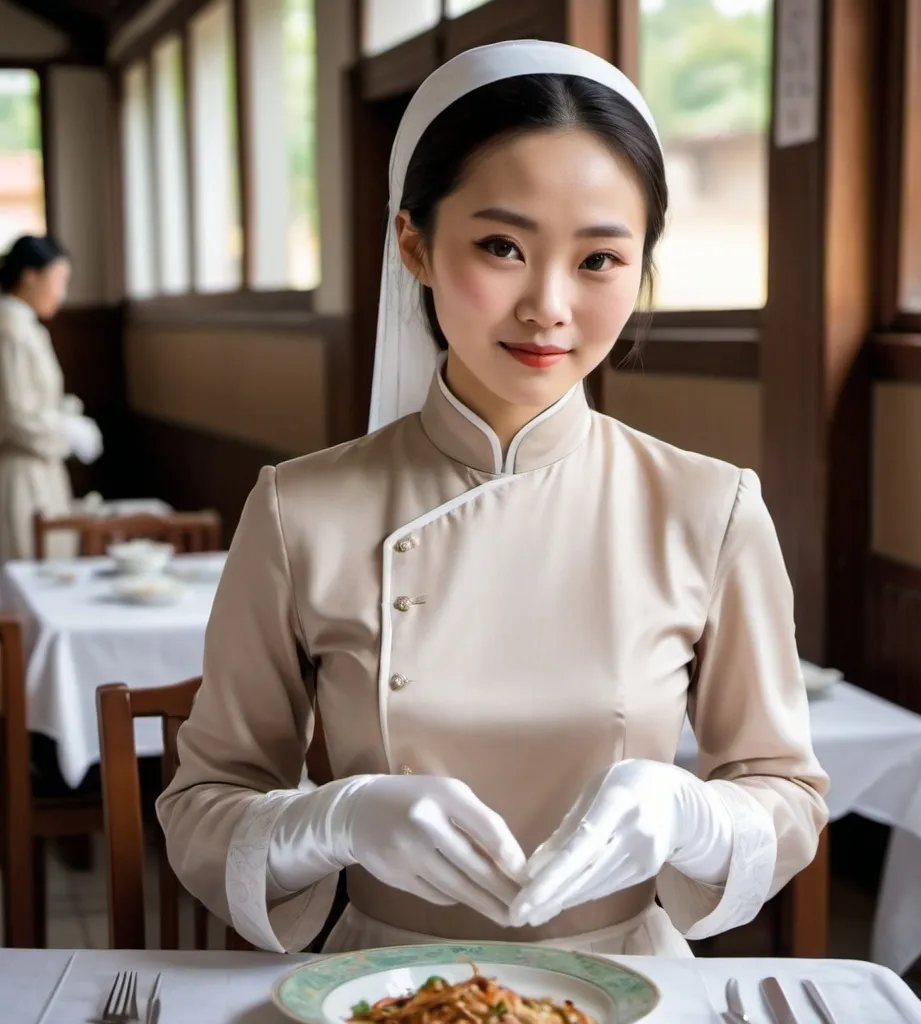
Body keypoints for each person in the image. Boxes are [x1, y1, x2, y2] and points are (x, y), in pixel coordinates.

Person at [158, 40, 829, 957]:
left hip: (628, 986)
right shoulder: (298, 509)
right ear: (415, 245)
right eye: (502, 246)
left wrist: (692, 815)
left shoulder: (710, 510)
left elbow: (786, 793)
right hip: (380, 988)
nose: (548, 305)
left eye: (599, 260)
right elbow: (202, 809)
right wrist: (334, 821)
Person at [0, 235, 103, 562]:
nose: (61, 293)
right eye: (59, 280)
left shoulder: (27, 327)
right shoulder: (9, 330)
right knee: (29, 566)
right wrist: (65, 432)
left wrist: (67, 417)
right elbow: (16, 418)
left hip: (39, 470)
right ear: (30, 276)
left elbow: (38, 400)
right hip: (21, 474)